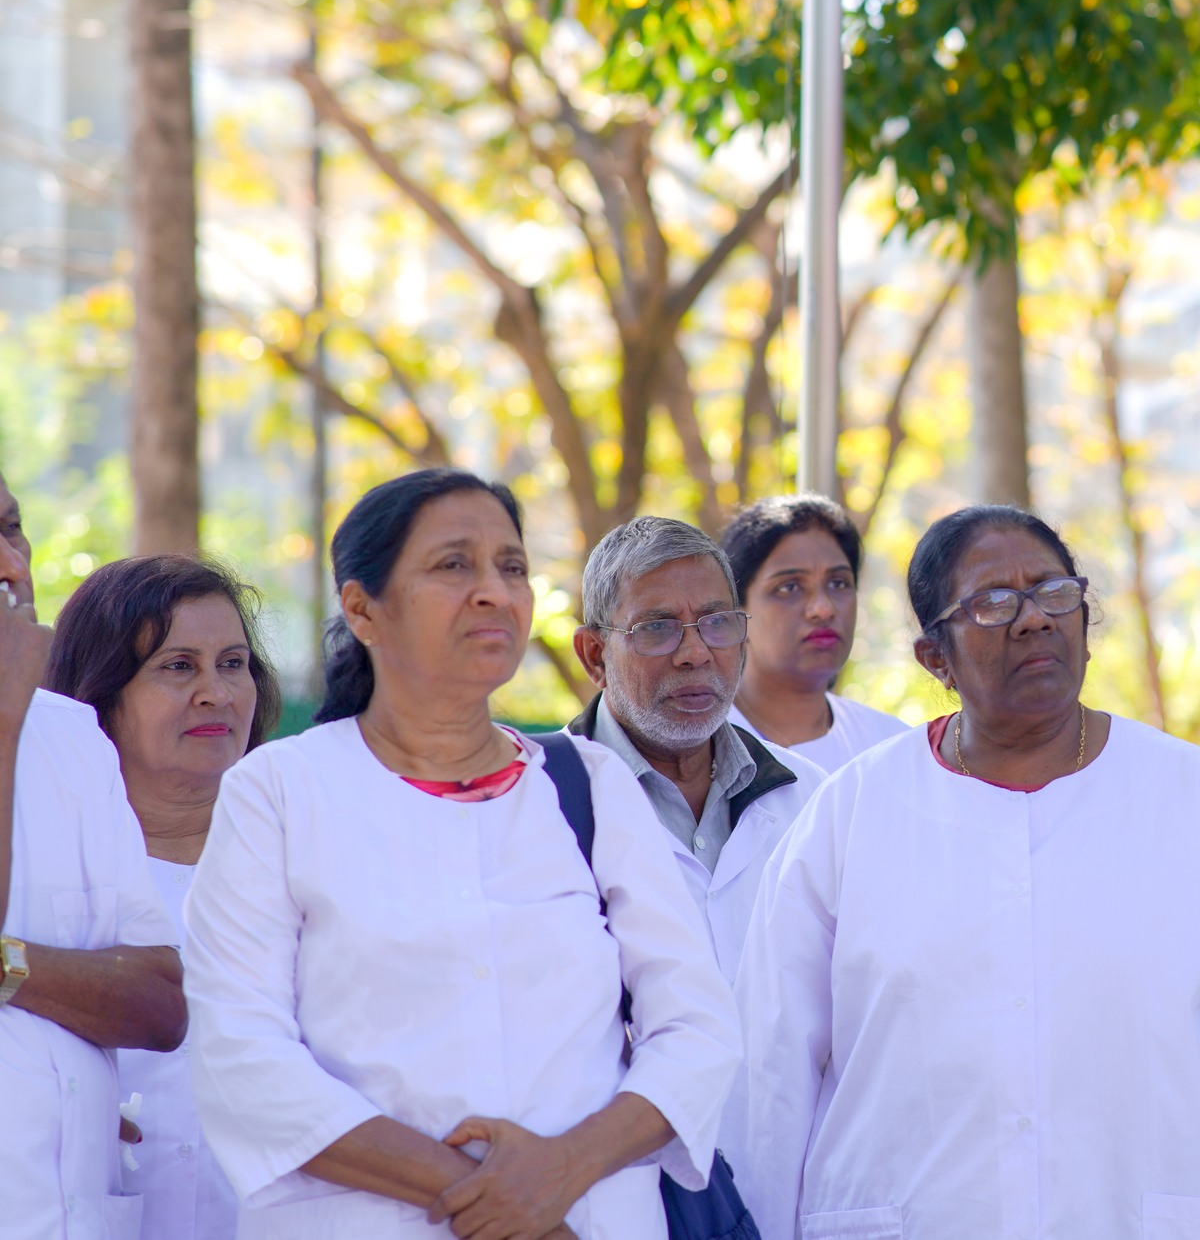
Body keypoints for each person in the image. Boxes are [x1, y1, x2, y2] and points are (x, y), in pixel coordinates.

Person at [727, 504, 1200, 1240]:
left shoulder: (1193, 800)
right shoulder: (849, 814)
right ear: (933, 657)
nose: (1033, 619)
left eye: (1054, 592)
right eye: (993, 602)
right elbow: (770, 1079)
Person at [181, 468, 741, 1240]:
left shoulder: (589, 783)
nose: (493, 591)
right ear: (362, 608)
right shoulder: (278, 790)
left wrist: (566, 1168)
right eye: (454, 565)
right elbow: (243, 1058)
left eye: (511, 566)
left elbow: (698, 1032)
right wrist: (503, 1200)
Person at [46, 555, 284, 1240]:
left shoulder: (308, 860)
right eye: (179, 666)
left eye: (233, 663)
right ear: (101, 692)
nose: (217, 692)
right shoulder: (40, 866)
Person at [0, 473, 188, 1240]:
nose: (10, 565)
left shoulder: (73, 739)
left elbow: (158, 1001)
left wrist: (9, 966)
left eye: (13, 528)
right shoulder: (25, 718)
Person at [568, 515, 825, 981]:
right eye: (656, 628)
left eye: (717, 623)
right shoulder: (543, 803)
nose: (695, 653)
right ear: (594, 654)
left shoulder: (809, 796)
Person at [720, 495, 908, 775]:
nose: (823, 608)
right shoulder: (699, 751)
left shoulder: (894, 749)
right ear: (738, 613)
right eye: (789, 587)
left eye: (838, 583)